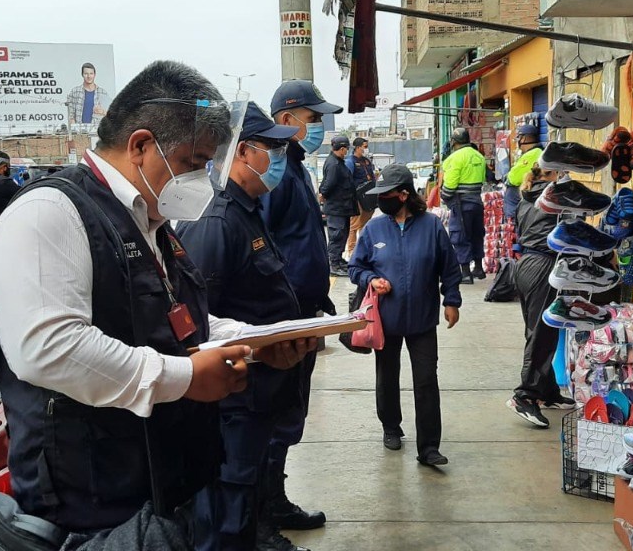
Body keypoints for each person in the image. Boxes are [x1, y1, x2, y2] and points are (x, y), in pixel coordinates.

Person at [0, 61, 314, 548]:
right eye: (193, 162)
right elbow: (48, 347)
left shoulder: (148, 220)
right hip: (91, 506)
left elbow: (172, 318)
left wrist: (253, 341)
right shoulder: (48, 214)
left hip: (160, 487)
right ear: (140, 145)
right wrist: (186, 377)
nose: (202, 178)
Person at [176, 102, 313, 551]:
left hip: (259, 395)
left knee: (245, 504)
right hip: (233, 402)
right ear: (242, 153)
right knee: (225, 518)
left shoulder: (248, 210)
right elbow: (198, 323)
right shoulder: (217, 222)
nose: (278, 157)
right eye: (271, 148)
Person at [260, 79, 344, 534]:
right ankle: (266, 507)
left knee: (291, 412)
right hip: (284, 316)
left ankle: (273, 498)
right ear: (287, 121)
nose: (320, 128)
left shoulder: (295, 168)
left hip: (302, 309)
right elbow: (267, 249)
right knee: (279, 414)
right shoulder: (275, 173)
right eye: (314, 120)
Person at [349, 164, 463, 467]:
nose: (379, 201)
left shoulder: (431, 226)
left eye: (384, 195)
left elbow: (449, 268)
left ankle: (428, 448)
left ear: (403, 195)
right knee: (387, 376)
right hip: (385, 319)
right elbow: (356, 267)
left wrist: (451, 300)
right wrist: (370, 280)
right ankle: (391, 426)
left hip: (423, 319)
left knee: (426, 380)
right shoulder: (374, 229)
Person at [507, 169, 578, 429]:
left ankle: (547, 390)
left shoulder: (526, 196)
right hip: (544, 267)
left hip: (526, 264)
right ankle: (525, 396)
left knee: (538, 329)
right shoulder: (556, 199)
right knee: (542, 332)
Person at [441, 128, 488, 284]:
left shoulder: (455, 158)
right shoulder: (479, 156)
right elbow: (484, 179)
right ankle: (479, 269)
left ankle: (466, 273)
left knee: (460, 236)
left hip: (461, 203)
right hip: (476, 201)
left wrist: (445, 197)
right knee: (476, 234)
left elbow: (450, 185)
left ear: (454, 141)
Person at [318, 135, 356, 276]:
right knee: (337, 236)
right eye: (346, 149)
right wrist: (323, 195)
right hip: (336, 208)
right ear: (342, 149)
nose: (347, 151)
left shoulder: (338, 162)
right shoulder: (334, 164)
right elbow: (328, 185)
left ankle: (338, 261)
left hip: (342, 208)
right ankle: (333, 265)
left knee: (342, 235)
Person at [345, 137, 376, 258]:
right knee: (354, 224)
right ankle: (352, 250)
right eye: (365, 147)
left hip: (368, 197)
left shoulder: (366, 161)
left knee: (365, 223)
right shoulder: (350, 162)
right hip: (357, 197)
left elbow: (372, 176)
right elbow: (348, 179)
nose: (366, 149)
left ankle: (362, 248)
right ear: (358, 147)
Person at [504, 124, 542, 222]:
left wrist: (507, 177)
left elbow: (513, 179)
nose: (518, 141)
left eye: (519, 138)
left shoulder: (533, 153)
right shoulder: (534, 153)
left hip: (520, 211)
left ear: (524, 139)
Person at [67, 62, 111, 126]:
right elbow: (70, 114)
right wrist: (74, 129)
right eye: (86, 73)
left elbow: (109, 115)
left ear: (94, 75)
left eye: (91, 73)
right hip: (79, 131)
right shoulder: (75, 92)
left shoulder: (103, 93)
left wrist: (102, 112)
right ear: (82, 74)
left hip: (96, 130)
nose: (89, 76)